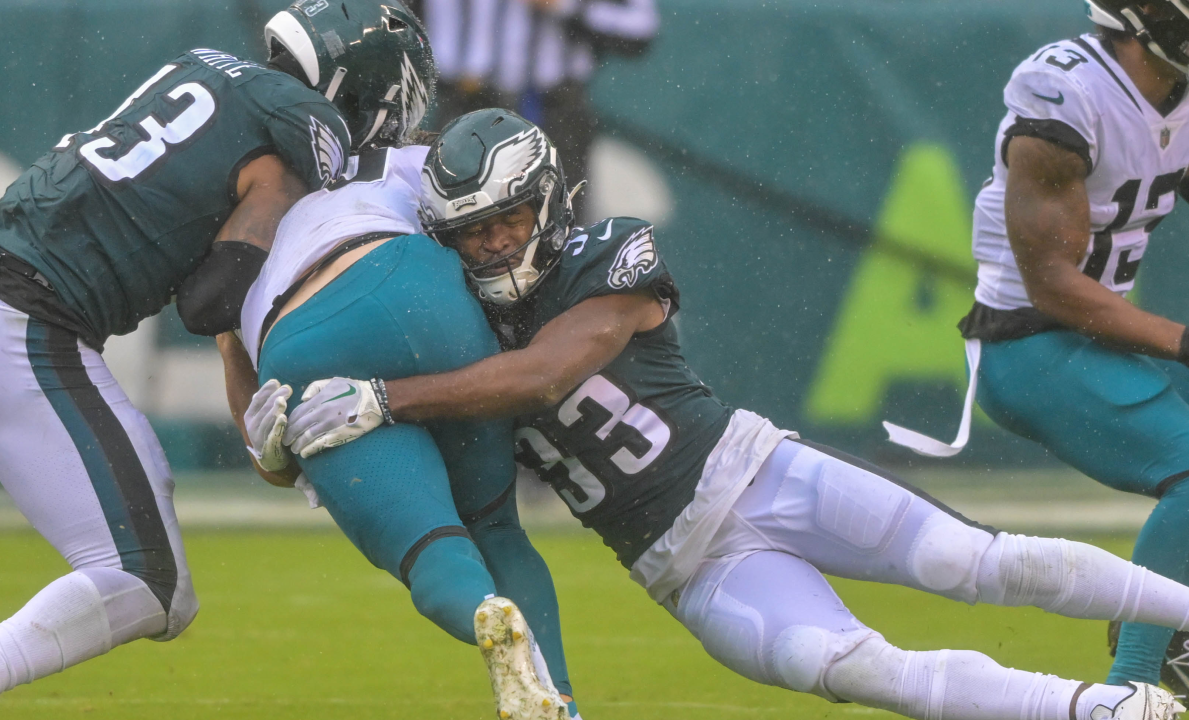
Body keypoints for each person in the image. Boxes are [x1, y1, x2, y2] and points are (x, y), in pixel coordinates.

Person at [256, 108, 1189, 720]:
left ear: (548, 198)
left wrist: (385, 396)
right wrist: (290, 440)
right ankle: (1101, 711)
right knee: (859, 670)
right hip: (684, 570)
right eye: (470, 229)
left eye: (506, 217)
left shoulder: (608, 253)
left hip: (756, 475)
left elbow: (548, 374)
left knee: (973, 561)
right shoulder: (456, 328)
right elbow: (423, 465)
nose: (492, 240)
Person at [0, 1, 432, 717]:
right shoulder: (298, 133)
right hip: (16, 327)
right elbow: (210, 302)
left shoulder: (202, 69)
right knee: (150, 580)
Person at [879, 0, 1189, 696]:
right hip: (1031, 344)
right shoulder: (1068, 92)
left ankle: (1167, 622)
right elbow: (1053, 286)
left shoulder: (1175, 92)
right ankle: (1137, 683)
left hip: (1092, 341)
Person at [223, 140, 576, 720]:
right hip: (416, 282)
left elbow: (264, 445)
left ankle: (479, 610)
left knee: (428, 548)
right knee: (493, 524)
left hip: (299, 340)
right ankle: (563, 700)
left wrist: (269, 448)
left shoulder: (223, 223)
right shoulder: (409, 158)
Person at [408, 0, 658, 219]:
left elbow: (640, 27)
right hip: (461, 102)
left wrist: (565, 5)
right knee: (451, 218)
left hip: (554, 108)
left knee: (556, 225)